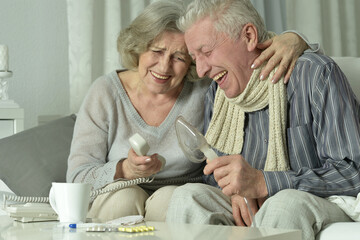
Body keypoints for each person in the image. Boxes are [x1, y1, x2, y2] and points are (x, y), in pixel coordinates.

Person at [66, 0, 314, 223]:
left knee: (171, 199)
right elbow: (76, 179)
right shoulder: (105, 93)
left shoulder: (206, 88)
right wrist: (124, 170)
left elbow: (249, 57)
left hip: (179, 195)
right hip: (117, 196)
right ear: (138, 47)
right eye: (157, 51)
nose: (165, 67)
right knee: (123, 197)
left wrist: (295, 39)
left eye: (179, 58)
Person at [166, 0, 360, 239]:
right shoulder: (217, 94)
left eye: (207, 52)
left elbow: (353, 171)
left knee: (283, 203)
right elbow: (213, 171)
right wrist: (236, 189)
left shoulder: (315, 74)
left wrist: (265, 182)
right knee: (188, 197)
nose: (203, 70)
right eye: (196, 59)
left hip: (317, 200)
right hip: (253, 204)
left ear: (249, 36)